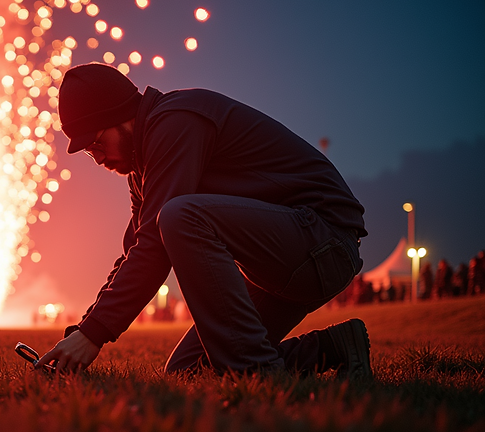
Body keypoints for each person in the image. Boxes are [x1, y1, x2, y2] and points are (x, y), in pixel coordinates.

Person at [35, 63, 372, 378]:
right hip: (281, 264)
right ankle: (335, 348)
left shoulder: (176, 121)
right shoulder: (143, 171)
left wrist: (94, 335)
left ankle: (256, 373)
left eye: (95, 144)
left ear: (121, 117)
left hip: (324, 241)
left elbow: (155, 247)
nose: (97, 159)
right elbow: (134, 253)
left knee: (181, 217)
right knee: (187, 370)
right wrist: (81, 332)